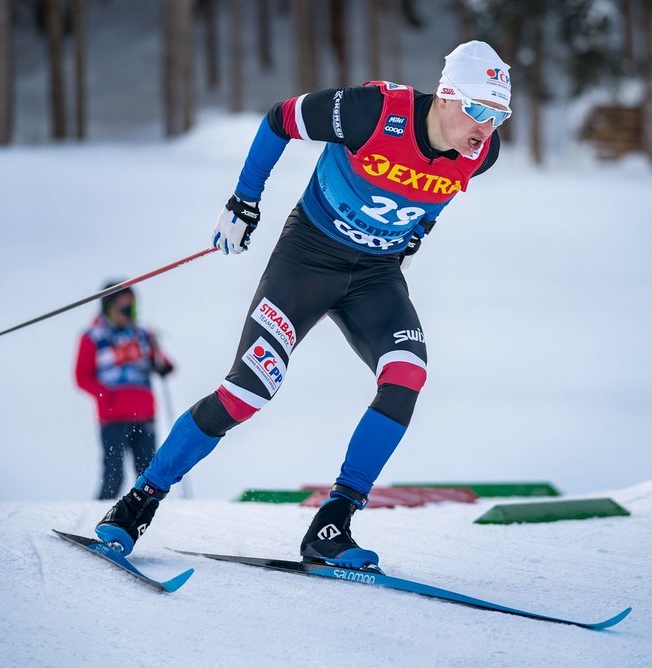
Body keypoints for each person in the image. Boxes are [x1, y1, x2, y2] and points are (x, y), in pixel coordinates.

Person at [96, 41, 510, 569]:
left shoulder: (483, 155)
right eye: (479, 108)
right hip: (307, 262)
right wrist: (244, 201)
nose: (487, 126)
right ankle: (138, 503)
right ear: (447, 97)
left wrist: (416, 232)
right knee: (247, 392)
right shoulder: (371, 113)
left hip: (375, 277)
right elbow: (278, 121)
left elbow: (433, 196)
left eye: (499, 114)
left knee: (407, 375)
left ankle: (334, 521)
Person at [75, 282, 174, 499]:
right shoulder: (92, 336)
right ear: (109, 307)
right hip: (113, 417)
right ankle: (99, 519)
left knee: (149, 475)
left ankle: (146, 518)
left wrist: (162, 362)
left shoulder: (143, 335)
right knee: (114, 475)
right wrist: (106, 395)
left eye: (132, 308)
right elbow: (82, 377)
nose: (128, 313)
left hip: (145, 415)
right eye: (123, 308)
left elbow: (163, 363)